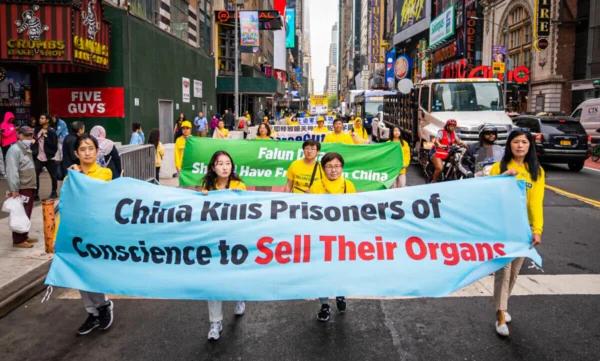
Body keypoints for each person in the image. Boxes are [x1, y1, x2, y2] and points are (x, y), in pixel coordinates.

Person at [490, 129, 544, 337]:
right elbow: (488, 195)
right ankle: (500, 314)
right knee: (503, 271)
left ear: (530, 145)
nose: (520, 145)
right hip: (502, 228)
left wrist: (537, 230)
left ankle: (502, 305)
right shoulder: (499, 167)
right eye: (516, 142)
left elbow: (536, 204)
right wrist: (502, 179)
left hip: (523, 230)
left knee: (513, 272)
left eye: (524, 142)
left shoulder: (536, 172)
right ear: (509, 145)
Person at [68, 134, 115, 335]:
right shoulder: (71, 175)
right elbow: (68, 203)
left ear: (97, 152)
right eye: (83, 149)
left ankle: (104, 306)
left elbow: (92, 191)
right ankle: (92, 312)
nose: (87, 152)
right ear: (76, 153)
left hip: (96, 232)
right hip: (75, 231)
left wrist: (78, 176)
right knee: (78, 274)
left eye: (90, 148)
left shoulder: (104, 173)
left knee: (93, 273)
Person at [198, 151, 246, 340]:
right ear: (213, 167)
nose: (225, 167)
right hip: (213, 241)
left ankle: (240, 296)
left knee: (235, 276)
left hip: (235, 240)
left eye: (228, 163)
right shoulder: (206, 187)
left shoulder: (239, 186)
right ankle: (215, 322)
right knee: (213, 282)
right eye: (220, 163)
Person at [309, 152, 356, 321]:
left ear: (342, 168)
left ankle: (340, 294)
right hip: (320, 238)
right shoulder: (315, 187)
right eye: (329, 166)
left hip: (342, 237)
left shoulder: (348, 186)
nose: (333, 170)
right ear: (323, 168)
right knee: (321, 272)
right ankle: (324, 305)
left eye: (337, 166)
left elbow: (354, 211)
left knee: (340, 269)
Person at [5, 126, 37, 248]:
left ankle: (24, 236)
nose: (30, 138)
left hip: (29, 185)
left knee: (26, 212)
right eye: (27, 135)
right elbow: (12, 171)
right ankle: (18, 240)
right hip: (22, 187)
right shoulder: (15, 150)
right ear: (20, 135)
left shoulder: (26, 148)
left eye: (31, 135)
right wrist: (14, 189)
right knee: (21, 213)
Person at [32, 114, 59, 200]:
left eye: (42, 118)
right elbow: (34, 140)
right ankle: (36, 194)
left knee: (53, 176)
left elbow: (54, 145)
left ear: (47, 120)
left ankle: (54, 192)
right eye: (40, 118)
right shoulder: (37, 129)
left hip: (49, 158)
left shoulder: (51, 131)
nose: (40, 119)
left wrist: (46, 137)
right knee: (35, 175)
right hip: (39, 157)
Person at [1, 112, 18, 178]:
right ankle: (7, 172)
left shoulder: (12, 125)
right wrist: (13, 129)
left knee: (14, 158)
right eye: (10, 118)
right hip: (6, 144)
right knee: (7, 158)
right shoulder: (2, 125)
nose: (11, 119)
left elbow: (14, 134)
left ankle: (13, 171)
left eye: (12, 118)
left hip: (14, 143)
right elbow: (5, 134)